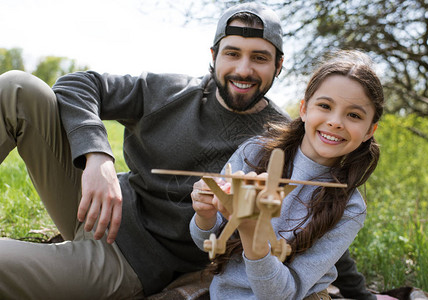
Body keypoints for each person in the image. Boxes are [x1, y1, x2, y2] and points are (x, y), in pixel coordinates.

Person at [0, 2, 389, 300]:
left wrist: (361, 294)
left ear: (279, 66)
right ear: (214, 55)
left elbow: (317, 215)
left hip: (130, 261)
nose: (243, 69)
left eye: (259, 58)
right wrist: (97, 157)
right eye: (233, 53)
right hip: (99, 205)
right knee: (17, 88)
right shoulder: (168, 89)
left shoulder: (279, 142)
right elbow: (77, 85)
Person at [189, 50, 385, 299]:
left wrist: (252, 234)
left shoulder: (351, 207)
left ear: (370, 130)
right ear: (304, 109)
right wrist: (204, 215)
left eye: (354, 115)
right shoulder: (254, 152)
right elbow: (207, 241)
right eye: (325, 106)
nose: (336, 122)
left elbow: (284, 294)